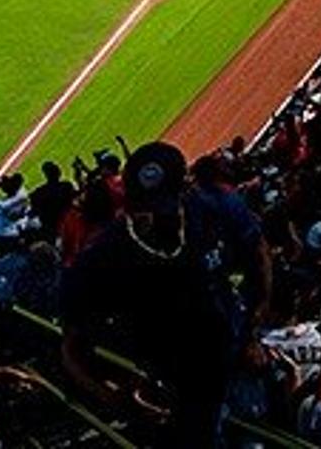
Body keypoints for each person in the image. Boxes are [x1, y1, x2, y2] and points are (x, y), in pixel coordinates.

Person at [63, 141, 270, 448]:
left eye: (165, 208)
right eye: (145, 209)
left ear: (186, 189)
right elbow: (72, 344)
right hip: (178, 391)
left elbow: (259, 255)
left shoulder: (216, 208)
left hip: (239, 361)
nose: (156, 219)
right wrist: (113, 396)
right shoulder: (104, 256)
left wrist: (253, 329)